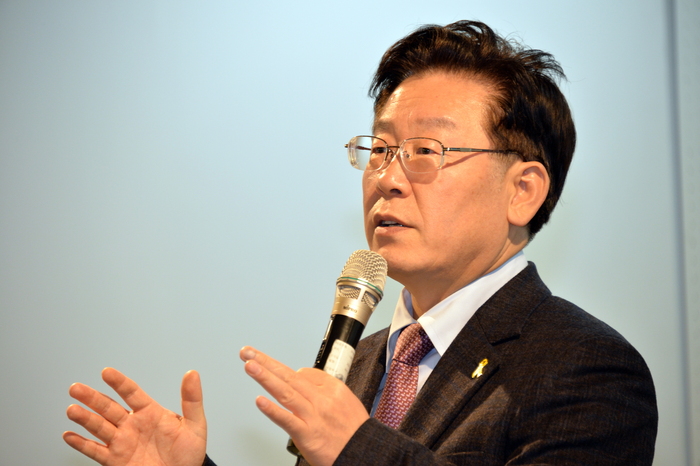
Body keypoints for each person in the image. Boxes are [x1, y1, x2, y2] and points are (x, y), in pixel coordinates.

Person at [63, 20, 658, 466]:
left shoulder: (587, 367)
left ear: (522, 191)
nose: (388, 177)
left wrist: (358, 449)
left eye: (425, 151)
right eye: (380, 149)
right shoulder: (362, 358)